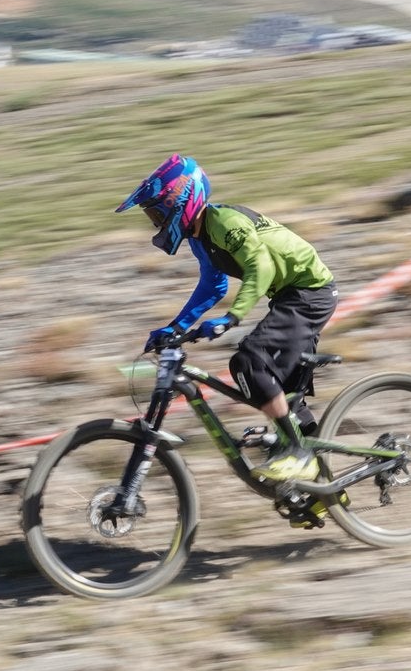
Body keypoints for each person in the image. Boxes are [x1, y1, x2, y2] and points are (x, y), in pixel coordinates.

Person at [117, 154, 339, 483]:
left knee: (251, 360)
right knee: (278, 392)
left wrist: (232, 317)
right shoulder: (201, 238)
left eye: (157, 213)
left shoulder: (223, 222)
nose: (156, 223)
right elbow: (213, 285)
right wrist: (176, 327)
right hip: (288, 296)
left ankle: (298, 454)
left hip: (309, 293)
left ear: (182, 201)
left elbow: (260, 266)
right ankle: (321, 493)